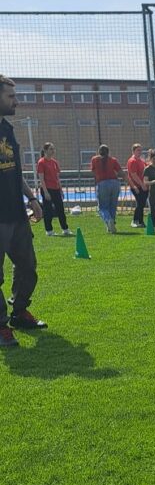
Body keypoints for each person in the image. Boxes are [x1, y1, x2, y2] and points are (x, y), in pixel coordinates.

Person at [0, 75, 47, 346]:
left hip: (16, 214)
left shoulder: (7, 129)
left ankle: (19, 312)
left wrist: (32, 199)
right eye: (10, 96)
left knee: (28, 266)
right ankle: (1, 326)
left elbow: (15, 171)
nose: (16, 101)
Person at [37, 142, 72, 237]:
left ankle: (65, 229)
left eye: (53, 149)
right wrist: (46, 192)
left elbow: (57, 177)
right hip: (47, 189)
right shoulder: (41, 162)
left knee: (60, 209)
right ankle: (49, 230)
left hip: (56, 189)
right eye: (51, 149)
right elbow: (41, 179)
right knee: (48, 210)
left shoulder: (55, 162)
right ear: (45, 150)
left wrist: (61, 190)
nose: (53, 151)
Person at [89, 144, 124, 233]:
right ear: (108, 152)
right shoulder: (113, 160)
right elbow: (120, 172)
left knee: (102, 207)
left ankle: (108, 219)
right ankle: (111, 224)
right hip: (114, 183)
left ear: (99, 152)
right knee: (113, 205)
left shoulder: (94, 159)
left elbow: (93, 171)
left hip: (102, 183)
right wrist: (129, 181)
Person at [126, 144, 148, 227]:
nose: (140, 152)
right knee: (140, 203)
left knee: (142, 204)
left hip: (143, 186)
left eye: (140, 150)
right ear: (133, 151)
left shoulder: (141, 161)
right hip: (136, 186)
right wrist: (141, 185)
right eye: (138, 150)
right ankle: (135, 220)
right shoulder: (132, 161)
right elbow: (133, 175)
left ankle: (140, 221)